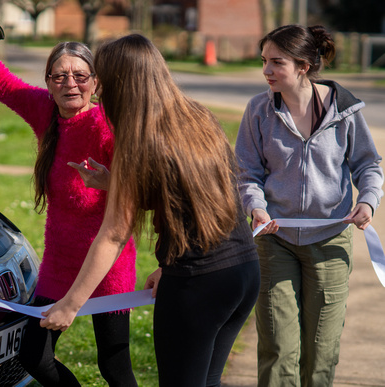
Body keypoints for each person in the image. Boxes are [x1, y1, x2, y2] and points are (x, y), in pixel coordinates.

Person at [40, 33, 261, 387]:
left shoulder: (137, 139)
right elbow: (195, 196)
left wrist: (70, 304)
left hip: (197, 281)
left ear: (120, 84)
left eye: (104, 82)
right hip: (242, 272)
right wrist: (117, 184)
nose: (98, 93)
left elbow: (113, 235)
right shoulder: (197, 116)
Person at [0, 7, 138, 387]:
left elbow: (141, 191)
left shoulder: (108, 127)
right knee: (34, 352)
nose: (71, 84)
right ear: (49, 83)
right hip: (59, 261)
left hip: (107, 263)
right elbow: (2, 83)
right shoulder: (44, 112)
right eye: (60, 76)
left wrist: (109, 181)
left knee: (114, 367)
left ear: (95, 83)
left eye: (80, 76)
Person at [234, 24, 384, 386]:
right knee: (278, 348)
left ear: (303, 65)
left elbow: (368, 164)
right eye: (264, 62)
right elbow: (246, 172)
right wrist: (256, 206)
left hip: (330, 240)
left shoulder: (345, 110)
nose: (267, 71)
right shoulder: (259, 110)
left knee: (321, 349)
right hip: (274, 239)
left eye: (277, 62)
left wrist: (368, 200)